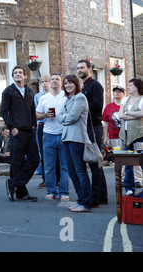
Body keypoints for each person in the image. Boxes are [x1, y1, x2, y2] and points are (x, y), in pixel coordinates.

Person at [1, 65, 40, 202]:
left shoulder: (29, 91)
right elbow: (3, 111)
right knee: (17, 162)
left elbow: (32, 110)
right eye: (15, 73)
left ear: (25, 76)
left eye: (20, 73)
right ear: (13, 76)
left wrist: (34, 125)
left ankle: (14, 182)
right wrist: (11, 127)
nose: (18, 74)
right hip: (17, 131)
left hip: (30, 130)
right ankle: (21, 192)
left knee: (35, 159)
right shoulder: (9, 91)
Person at [57, 74, 91, 212]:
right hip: (66, 138)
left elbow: (72, 117)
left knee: (80, 171)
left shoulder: (80, 98)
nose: (67, 85)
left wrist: (65, 116)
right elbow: (59, 117)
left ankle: (86, 203)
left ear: (76, 84)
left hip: (77, 139)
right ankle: (80, 200)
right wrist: (65, 117)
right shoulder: (68, 99)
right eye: (65, 83)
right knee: (72, 171)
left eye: (70, 83)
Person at [77, 59, 108, 207]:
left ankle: (95, 198)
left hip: (94, 127)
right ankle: (102, 196)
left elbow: (97, 106)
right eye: (78, 68)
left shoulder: (95, 86)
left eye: (82, 67)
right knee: (96, 163)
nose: (79, 70)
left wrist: (80, 104)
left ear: (89, 69)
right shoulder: (84, 87)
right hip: (86, 127)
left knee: (95, 163)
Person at [36, 73, 69, 201]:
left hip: (64, 134)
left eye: (57, 79)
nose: (54, 81)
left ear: (61, 82)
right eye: (52, 79)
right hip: (48, 134)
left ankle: (64, 192)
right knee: (49, 166)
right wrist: (45, 115)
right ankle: (51, 191)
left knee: (64, 166)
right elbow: (37, 115)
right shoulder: (44, 98)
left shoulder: (66, 97)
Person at [118, 78, 143, 196]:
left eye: (130, 85)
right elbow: (120, 115)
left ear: (137, 87)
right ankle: (129, 188)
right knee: (127, 162)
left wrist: (128, 113)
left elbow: (142, 113)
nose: (128, 87)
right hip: (126, 134)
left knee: (141, 161)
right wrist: (134, 115)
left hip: (139, 134)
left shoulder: (142, 99)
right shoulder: (125, 99)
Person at [34, 75, 50, 188]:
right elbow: (36, 112)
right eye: (42, 82)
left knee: (56, 154)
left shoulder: (56, 95)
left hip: (54, 125)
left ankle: (57, 179)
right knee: (43, 154)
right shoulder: (38, 96)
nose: (44, 84)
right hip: (42, 125)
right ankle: (45, 179)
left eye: (46, 81)